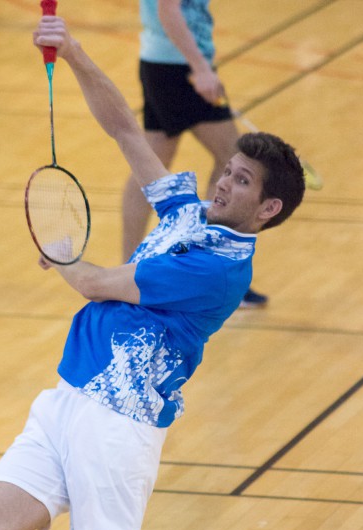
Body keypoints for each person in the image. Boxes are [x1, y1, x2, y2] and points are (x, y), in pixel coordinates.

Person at [0, 15, 305, 530]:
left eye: (243, 182)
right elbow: (124, 128)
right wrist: (76, 54)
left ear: (269, 208)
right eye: (228, 170)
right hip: (67, 400)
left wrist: (64, 254)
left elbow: (97, 284)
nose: (224, 181)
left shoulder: (218, 270)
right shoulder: (188, 211)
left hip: (120, 428)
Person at [121, 0, 267, 308]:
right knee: (233, 155)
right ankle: (216, 267)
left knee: (150, 165)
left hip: (167, 64)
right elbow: (167, 9)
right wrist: (200, 68)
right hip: (177, 68)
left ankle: (129, 273)